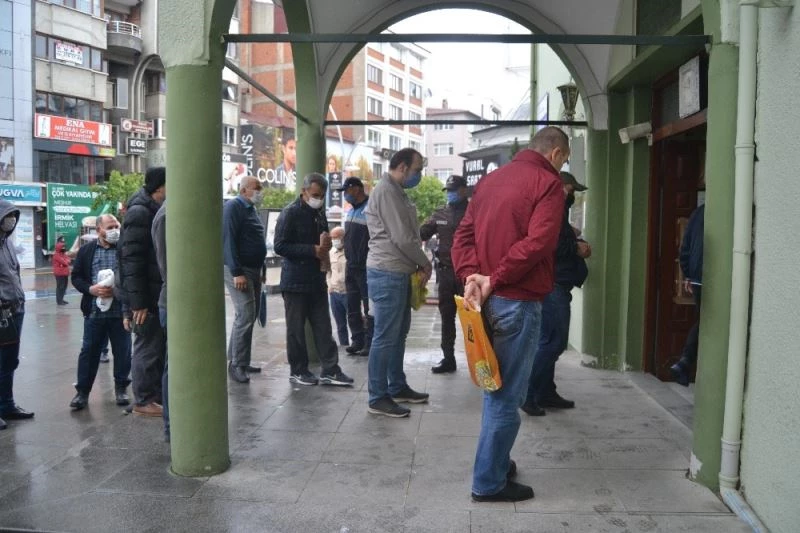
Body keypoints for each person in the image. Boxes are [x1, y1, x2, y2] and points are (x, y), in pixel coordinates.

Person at [451, 126, 569, 502]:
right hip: (516, 300)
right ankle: (488, 482)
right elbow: (539, 243)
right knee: (505, 396)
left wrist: (472, 276)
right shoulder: (547, 183)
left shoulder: (490, 181)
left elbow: (463, 236)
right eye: (564, 159)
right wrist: (493, 278)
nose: (562, 166)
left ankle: (496, 460)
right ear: (555, 154)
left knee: (494, 388)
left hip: (487, 301)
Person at [364, 148, 432, 418]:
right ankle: (377, 397)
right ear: (402, 167)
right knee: (385, 337)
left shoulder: (397, 191)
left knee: (398, 334)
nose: (419, 175)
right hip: (387, 272)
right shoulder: (387, 191)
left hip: (398, 272)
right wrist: (425, 262)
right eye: (417, 170)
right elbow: (403, 238)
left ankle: (396, 385)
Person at [522, 171, 591, 416]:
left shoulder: (556, 211)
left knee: (548, 341)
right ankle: (528, 394)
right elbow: (551, 246)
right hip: (553, 285)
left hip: (556, 284)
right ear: (561, 187)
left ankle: (545, 392)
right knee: (553, 343)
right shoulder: (552, 208)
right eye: (571, 190)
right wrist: (577, 247)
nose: (573, 195)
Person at [274, 173, 354, 387]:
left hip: (316, 279)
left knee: (323, 327)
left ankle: (331, 369)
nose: (318, 198)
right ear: (304, 191)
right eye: (315, 194)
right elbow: (280, 246)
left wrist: (325, 245)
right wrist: (312, 250)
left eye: (322, 195)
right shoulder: (289, 213)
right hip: (295, 281)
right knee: (296, 329)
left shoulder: (319, 213)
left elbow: (322, 238)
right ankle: (298, 370)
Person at [69, 214, 132, 410]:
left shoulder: (124, 250)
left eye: (116, 226)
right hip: (94, 313)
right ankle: (82, 393)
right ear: (99, 230)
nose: (115, 230)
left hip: (120, 313)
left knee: (123, 352)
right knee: (89, 352)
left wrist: (118, 291)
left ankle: (121, 388)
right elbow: (77, 277)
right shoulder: (86, 251)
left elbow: (131, 277)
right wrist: (91, 289)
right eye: (110, 226)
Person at [118, 167, 166, 416]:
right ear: (160, 187)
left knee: (156, 347)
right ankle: (144, 399)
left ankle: (153, 396)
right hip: (145, 297)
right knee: (147, 347)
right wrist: (137, 303)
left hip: (151, 292)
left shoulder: (148, 209)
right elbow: (131, 261)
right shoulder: (141, 212)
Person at [420, 175, 470, 374]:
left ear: (464, 190)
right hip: (446, 273)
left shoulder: (474, 212)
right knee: (447, 317)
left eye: (454, 190)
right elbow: (422, 233)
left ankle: (479, 359)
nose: (450, 194)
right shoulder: (440, 213)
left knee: (472, 320)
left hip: (468, 275)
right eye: (448, 190)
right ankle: (448, 358)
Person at [223, 176, 267, 383]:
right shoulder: (234, 207)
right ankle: (237, 365)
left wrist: (262, 267)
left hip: (253, 269)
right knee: (246, 315)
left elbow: (255, 240)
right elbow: (228, 239)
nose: (260, 191)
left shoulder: (251, 209)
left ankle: (240, 358)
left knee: (249, 315)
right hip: (240, 270)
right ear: (243, 190)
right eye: (256, 188)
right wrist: (236, 272)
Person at [0, 200, 34, 430]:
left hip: (15, 311)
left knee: (9, 361)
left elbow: (14, 274)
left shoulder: (7, 243)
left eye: (13, 216)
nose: (11, 220)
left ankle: (7, 405)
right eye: (7, 216)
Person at [336, 177, 372, 356]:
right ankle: (357, 340)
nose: (345, 196)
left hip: (366, 266)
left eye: (347, 191)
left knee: (368, 307)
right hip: (351, 265)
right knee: (352, 306)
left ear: (357, 189)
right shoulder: (351, 211)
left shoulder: (370, 208)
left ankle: (369, 342)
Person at [671, 203, 705, 386]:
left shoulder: (699, 211)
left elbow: (684, 248)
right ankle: (685, 362)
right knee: (706, 323)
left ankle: (685, 362)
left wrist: (689, 275)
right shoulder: (730, 209)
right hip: (714, 278)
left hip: (698, 278)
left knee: (704, 321)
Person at [151, 201, 170, 441]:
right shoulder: (167, 215)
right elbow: (169, 268)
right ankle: (172, 427)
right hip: (173, 300)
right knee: (173, 365)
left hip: (174, 299)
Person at [327, 226, 349, 347]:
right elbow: (328, 272)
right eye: (332, 238)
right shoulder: (330, 253)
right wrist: (329, 286)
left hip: (348, 292)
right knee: (340, 324)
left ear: (343, 237)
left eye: (337, 237)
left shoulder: (350, 251)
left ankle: (358, 343)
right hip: (335, 293)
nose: (334, 240)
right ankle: (344, 345)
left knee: (354, 321)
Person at [52, 236, 71, 305]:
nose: (64, 248)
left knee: (64, 287)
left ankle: (61, 299)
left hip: (65, 273)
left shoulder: (63, 254)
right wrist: (66, 261)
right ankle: (59, 301)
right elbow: (66, 262)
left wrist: (66, 261)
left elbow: (69, 260)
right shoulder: (56, 255)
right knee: (60, 287)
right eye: (63, 247)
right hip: (59, 274)